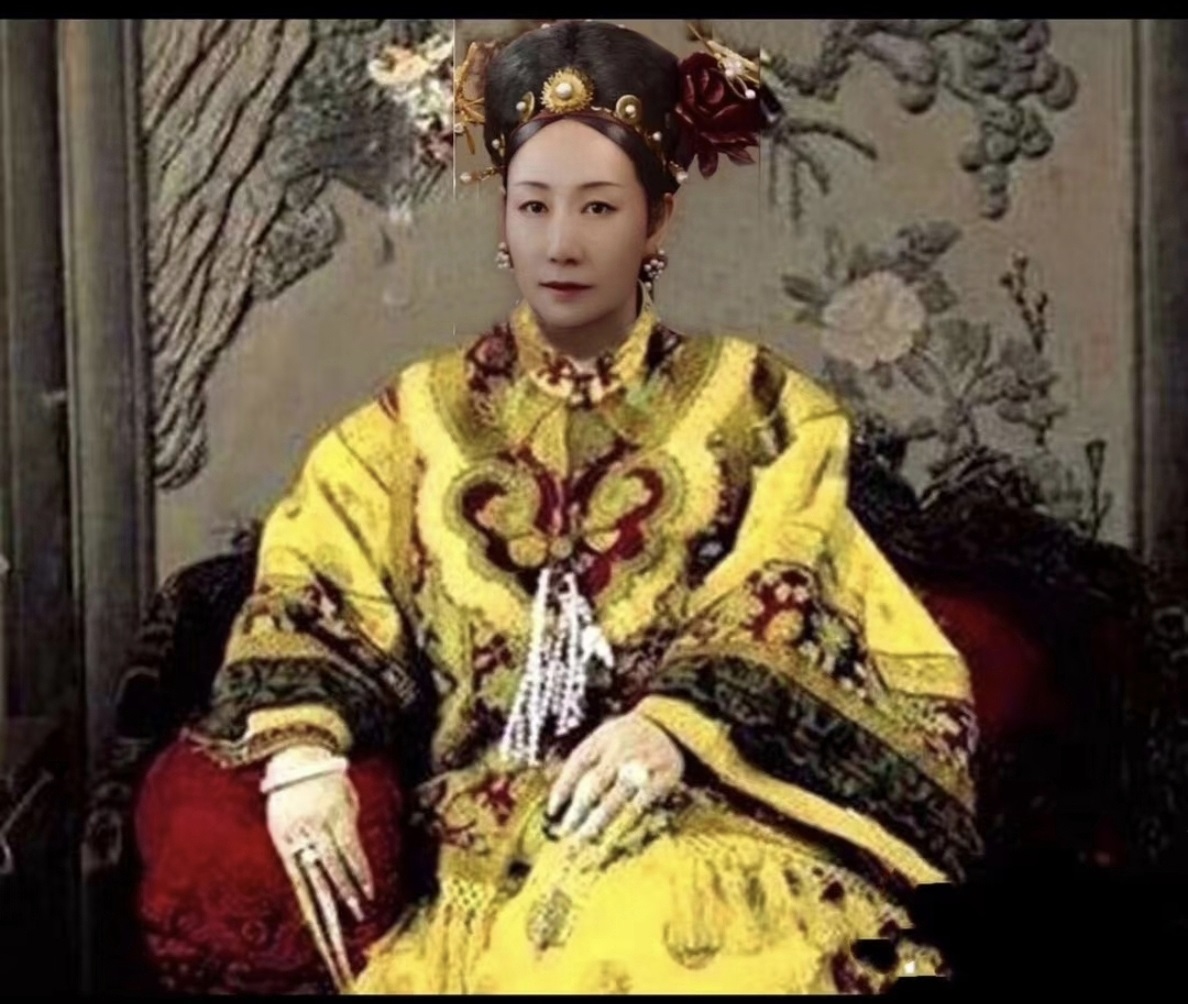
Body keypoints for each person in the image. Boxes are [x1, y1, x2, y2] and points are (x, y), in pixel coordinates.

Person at [183, 20, 981, 994]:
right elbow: (315, 582)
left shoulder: (764, 407)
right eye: (534, 206)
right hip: (494, 852)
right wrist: (303, 758)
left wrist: (677, 725)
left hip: (709, 828)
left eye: (599, 207)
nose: (561, 243)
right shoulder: (409, 424)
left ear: (658, 219)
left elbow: (793, 584)